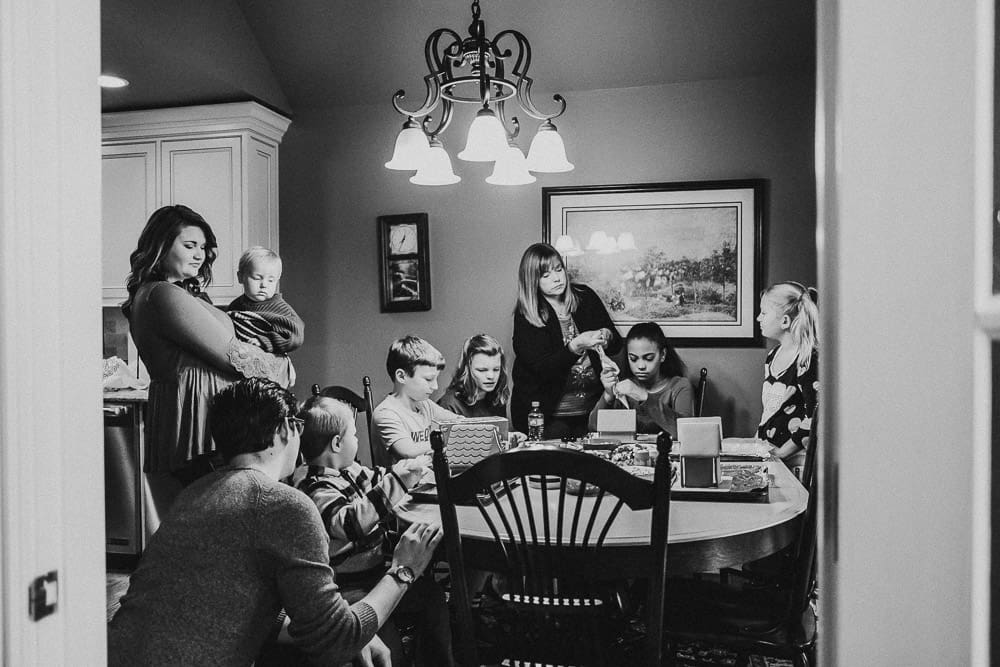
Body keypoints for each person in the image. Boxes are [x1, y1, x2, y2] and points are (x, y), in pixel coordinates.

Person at [107, 378, 443, 667]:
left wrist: (329, 628)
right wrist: (404, 570)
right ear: (285, 430)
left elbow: (226, 603)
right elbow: (336, 643)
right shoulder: (285, 504)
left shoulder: (194, 493)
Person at [121, 205, 292, 520]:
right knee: (219, 530)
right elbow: (235, 357)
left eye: (203, 247)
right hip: (195, 426)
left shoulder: (172, 294)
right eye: (189, 245)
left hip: (196, 421)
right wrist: (282, 365)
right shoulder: (163, 295)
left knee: (206, 531)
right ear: (160, 246)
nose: (200, 254)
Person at [297, 395, 454, 666]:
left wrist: (405, 470)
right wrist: (397, 480)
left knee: (432, 595)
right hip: (350, 589)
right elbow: (351, 523)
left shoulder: (350, 470)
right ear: (337, 443)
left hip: (377, 573)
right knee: (388, 649)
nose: (357, 441)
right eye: (354, 435)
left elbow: (379, 477)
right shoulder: (316, 487)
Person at [511, 242, 623, 438]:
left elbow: (616, 345)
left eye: (558, 269)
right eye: (546, 275)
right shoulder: (526, 316)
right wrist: (576, 345)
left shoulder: (585, 297)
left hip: (591, 411)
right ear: (532, 281)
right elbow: (542, 368)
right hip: (546, 417)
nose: (556, 278)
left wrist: (606, 335)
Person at [587, 321, 694, 438]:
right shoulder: (625, 386)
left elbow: (687, 432)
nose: (641, 366)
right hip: (630, 453)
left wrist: (644, 397)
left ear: (662, 355)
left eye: (648, 358)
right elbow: (594, 428)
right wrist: (608, 395)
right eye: (633, 359)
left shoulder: (679, 385)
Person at [372, 336, 463, 463]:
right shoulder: (385, 413)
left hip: (428, 478)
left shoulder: (424, 404)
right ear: (401, 376)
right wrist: (450, 439)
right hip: (401, 481)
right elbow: (408, 451)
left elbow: (460, 423)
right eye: (429, 379)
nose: (435, 386)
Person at [755, 281, 819, 461]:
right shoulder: (773, 355)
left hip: (795, 461)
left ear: (785, 321)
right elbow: (771, 410)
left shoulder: (807, 360)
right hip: (771, 455)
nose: (759, 318)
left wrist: (782, 452)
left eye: (764, 313)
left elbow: (814, 417)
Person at [227, 246, 305, 355]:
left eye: (271, 280)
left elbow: (295, 336)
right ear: (241, 277)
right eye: (257, 278)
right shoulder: (236, 305)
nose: (264, 285)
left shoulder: (280, 309)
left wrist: (265, 341)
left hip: (270, 361)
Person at [437, 333, 510, 418]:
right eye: (482, 370)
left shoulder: (498, 398)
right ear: (467, 370)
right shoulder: (449, 404)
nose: (491, 376)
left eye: (496, 369)